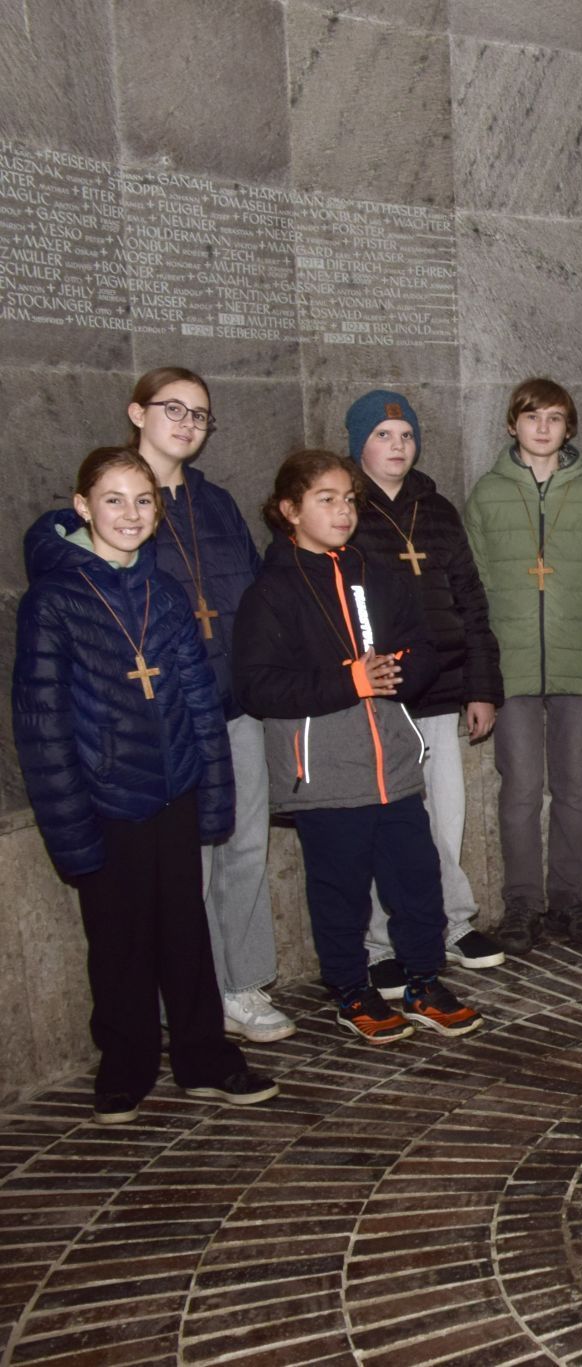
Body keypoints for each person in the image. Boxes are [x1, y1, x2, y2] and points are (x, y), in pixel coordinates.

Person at [14, 446, 278, 1121]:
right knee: (119, 940)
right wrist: (70, 826)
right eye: (113, 500)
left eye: (143, 501)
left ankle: (202, 1055)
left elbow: (199, 701)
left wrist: (212, 795)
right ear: (82, 507)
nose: (130, 514)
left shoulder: (164, 590)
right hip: (106, 798)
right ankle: (125, 1063)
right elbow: (43, 723)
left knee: (186, 931)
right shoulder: (53, 600)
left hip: (175, 790)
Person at [234, 448, 480, 1044]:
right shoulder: (272, 591)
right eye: (326, 500)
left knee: (417, 881)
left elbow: (422, 647)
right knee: (340, 893)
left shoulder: (376, 574)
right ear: (290, 510)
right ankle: (351, 991)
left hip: (393, 765)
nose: (343, 511)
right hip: (325, 774)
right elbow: (258, 686)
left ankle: (424, 981)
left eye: (348, 500)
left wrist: (401, 671)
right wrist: (353, 681)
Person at [123, 368, 291, 1044]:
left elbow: (254, 594)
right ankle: (191, 992)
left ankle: (241, 983)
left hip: (235, 703)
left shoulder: (215, 502)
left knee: (245, 845)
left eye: (199, 414)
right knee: (189, 860)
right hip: (170, 713)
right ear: (138, 413)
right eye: (174, 409)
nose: (188, 424)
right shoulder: (122, 497)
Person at [344, 389, 506, 998]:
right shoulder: (346, 507)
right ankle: (381, 944)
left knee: (446, 816)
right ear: (359, 444)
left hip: (441, 690)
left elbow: (470, 601)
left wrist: (481, 687)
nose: (398, 446)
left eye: (407, 436)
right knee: (385, 825)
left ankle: (450, 923)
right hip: (381, 696)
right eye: (383, 436)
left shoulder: (436, 509)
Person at [466, 379, 582, 952]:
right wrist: (478, 676)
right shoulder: (488, 495)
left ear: (569, 429)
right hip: (510, 667)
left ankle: (568, 897)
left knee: (572, 787)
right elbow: (472, 590)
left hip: (577, 663)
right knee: (520, 787)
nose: (543, 428)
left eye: (555, 418)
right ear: (512, 425)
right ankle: (522, 902)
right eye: (532, 416)